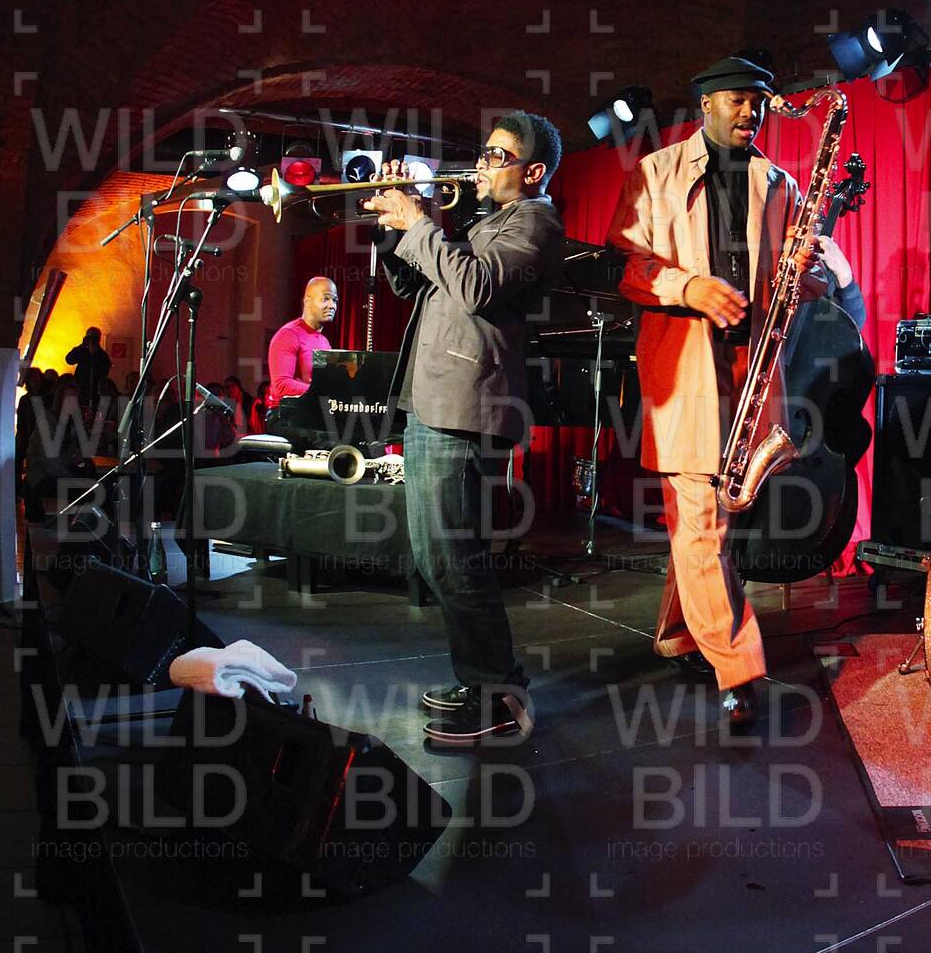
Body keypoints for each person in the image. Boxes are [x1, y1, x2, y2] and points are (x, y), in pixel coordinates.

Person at [607, 56, 846, 732]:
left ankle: (678, 632)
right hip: (684, 362)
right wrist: (690, 288)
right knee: (700, 515)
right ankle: (738, 672)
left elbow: (798, 282)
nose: (751, 113)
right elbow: (625, 264)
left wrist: (810, 275)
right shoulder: (654, 172)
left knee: (714, 516)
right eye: (738, 100)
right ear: (706, 104)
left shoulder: (780, 183)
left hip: (752, 365)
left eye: (759, 102)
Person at [364, 114, 566, 749]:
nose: (481, 165)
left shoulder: (536, 222)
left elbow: (475, 287)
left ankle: (497, 696)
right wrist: (395, 221)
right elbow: (413, 282)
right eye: (484, 152)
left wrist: (420, 223)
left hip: (467, 406)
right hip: (436, 400)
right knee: (439, 557)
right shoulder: (482, 222)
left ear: (533, 172)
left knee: (453, 558)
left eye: (498, 156)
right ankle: (484, 680)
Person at [266, 276, 339, 410]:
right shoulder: (289, 335)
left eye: (335, 300)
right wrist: (322, 393)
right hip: (286, 414)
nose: (332, 305)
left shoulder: (324, 342)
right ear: (307, 301)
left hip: (311, 411)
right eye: (325, 299)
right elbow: (281, 386)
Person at [66, 326, 111, 415]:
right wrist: (81, 346)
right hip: (80, 388)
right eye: (90, 337)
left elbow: (105, 371)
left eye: (94, 337)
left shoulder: (102, 355)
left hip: (96, 391)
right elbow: (69, 360)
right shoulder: (82, 351)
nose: (92, 339)